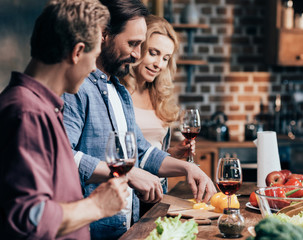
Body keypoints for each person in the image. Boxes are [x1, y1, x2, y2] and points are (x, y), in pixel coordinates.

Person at [61, 0, 217, 239]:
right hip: (89, 230)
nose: (137, 55)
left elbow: (142, 153)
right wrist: (125, 173)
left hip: (125, 225)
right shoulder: (77, 88)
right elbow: (63, 157)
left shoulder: (117, 90)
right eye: (133, 44)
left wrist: (187, 168)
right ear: (104, 35)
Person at [0, 0, 129, 239]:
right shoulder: (28, 113)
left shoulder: (43, 108)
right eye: (95, 56)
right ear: (77, 52)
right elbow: (28, 219)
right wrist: (97, 206)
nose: (93, 69)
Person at [123, 15, 195, 195]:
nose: (159, 64)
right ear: (138, 48)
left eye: (165, 58)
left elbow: (152, 151)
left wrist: (172, 153)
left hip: (156, 191)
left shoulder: (159, 97)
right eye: (153, 53)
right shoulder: (118, 93)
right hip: (128, 191)